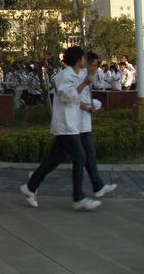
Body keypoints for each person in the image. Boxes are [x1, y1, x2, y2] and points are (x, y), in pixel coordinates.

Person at [21, 46, 101, 211]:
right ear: (78, 60)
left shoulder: (78, 75)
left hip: (73, 124)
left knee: (54, 159)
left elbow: (79, 99)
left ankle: (31, 186)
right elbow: (67, 96)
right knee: (80, 157)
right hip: (65, 124)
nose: (86, 61)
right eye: (84, 58)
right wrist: (84, 84)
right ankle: (78, 198)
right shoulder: (64, 76)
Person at [79, 52, 118, 198]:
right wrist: (89, 107)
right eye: (95, 65)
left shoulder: (88, 77)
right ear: (87, 63)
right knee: (61, 158)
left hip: (82, 124)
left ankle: (97, 185)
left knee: (88, 156)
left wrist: (92, 106)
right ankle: (34, 181)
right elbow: (74, 98)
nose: (96, 68)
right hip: (74, 125)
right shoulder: (80, 77)